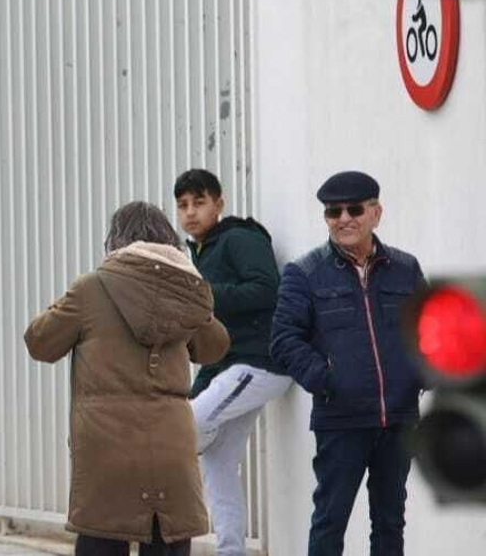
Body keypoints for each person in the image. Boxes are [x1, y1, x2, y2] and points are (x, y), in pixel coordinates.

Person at [24, 202, 230, 556]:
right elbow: (215, 347)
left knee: (101, 541)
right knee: (168, 541)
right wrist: (195, 299)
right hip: (171, 447)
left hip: (108, 449)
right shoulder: (186, 293)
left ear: (115, 240)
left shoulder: (92, 288)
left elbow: (39, 342)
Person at [270, 171, 426, 556]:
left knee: (390, 522)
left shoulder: (406, 269)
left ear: (376, 213)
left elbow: (428, 328)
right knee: (330, 520)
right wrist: (327, 380)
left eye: (354, 209)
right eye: (332, 211)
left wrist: (421, 374)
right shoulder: (304, 273)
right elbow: (284, 340)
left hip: (399, 418)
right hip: (340, 421)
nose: (343, 219)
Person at [170, 168, 292, 556]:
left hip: (260, 362)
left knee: (183, 427)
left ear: (218, 204)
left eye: (199, 202)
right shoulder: (199, 253)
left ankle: (190, 444)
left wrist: (202, 293)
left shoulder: (239, 238)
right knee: (219, 464)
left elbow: (266, 288)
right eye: (183, 205)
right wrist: (197, 389)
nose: (190, 212)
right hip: (229, 367)